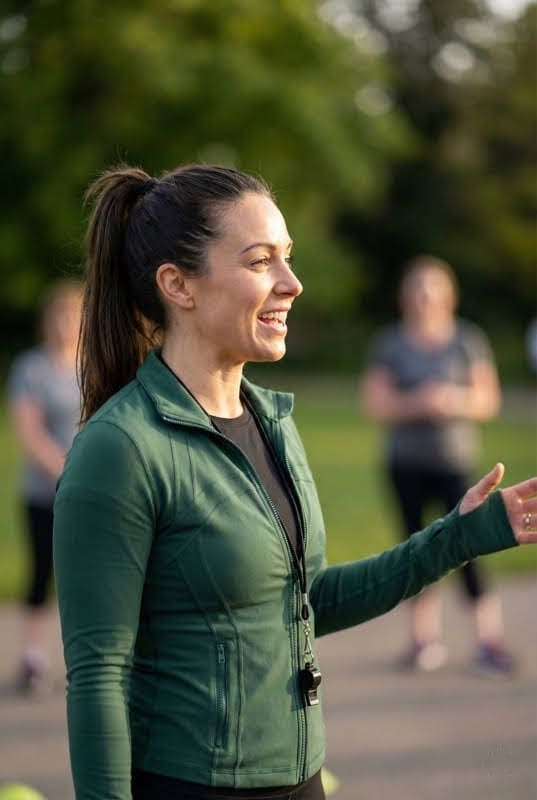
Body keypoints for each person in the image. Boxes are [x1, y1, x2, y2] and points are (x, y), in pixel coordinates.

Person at [52, 165, 537, 800]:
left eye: (288, 257)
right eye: (261, 261)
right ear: (178, 285)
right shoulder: (120, 448)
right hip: (190, 783)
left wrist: (459, 537)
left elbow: (303, 606)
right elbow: (98, 676)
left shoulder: (272, 423)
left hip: (300, 775)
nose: (292, 283)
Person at [361, 255, 514, 674]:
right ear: (404, 295)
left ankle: (489, 642)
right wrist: (418, 403)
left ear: (448, 294)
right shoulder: (390, 342)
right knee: (415, 547)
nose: (425, 296)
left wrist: (452, 400)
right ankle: (422, 642)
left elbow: (488, 400)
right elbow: (375, 403)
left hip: (455, 464)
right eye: (417, 288)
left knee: (471, 548)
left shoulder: (466, 339)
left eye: (433, 288)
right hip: (405, 464)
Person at [6, 280, 82, 694]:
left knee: (89, 576)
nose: (66, 322)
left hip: (88, 493)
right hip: (43, 492)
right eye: (59, 314)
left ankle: (87, 658)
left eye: (73, 314)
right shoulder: (30, 369)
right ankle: (32, 657)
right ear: (46, 321)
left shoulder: (92, 365)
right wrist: (65, 471)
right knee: (41, 574)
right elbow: (29, 431)